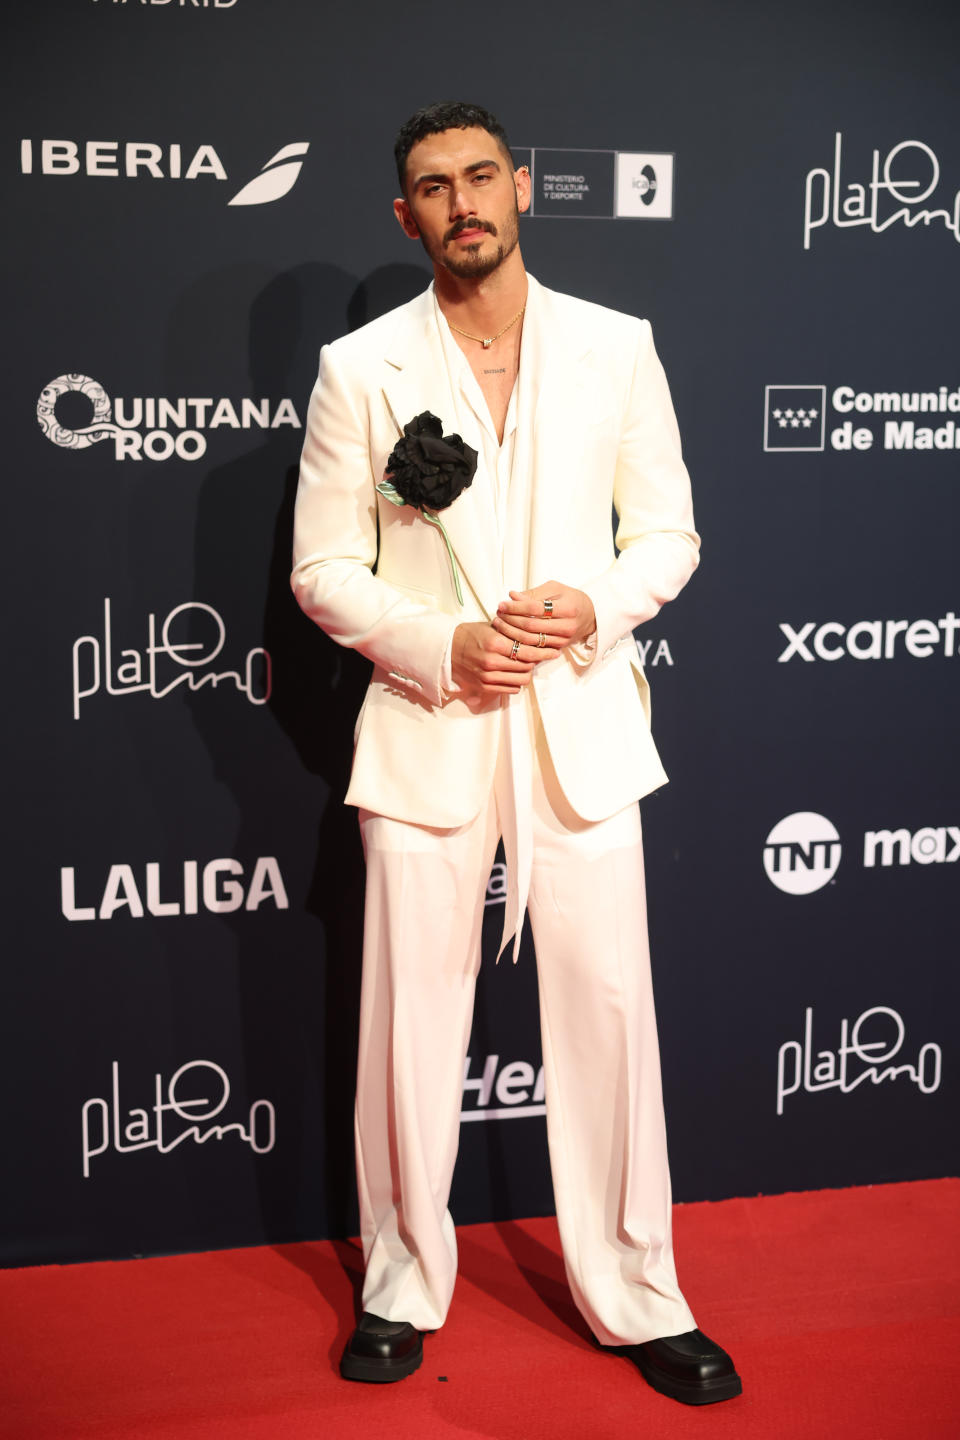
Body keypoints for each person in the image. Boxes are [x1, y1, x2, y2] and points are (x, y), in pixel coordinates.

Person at [291, 100, 741, 1406]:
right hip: (429, 728)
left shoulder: (617, 349)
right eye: (434, 187)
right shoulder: (358, 370)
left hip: (583, 730)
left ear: (523, 188)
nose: (462, 202)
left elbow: (667, 536)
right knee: (409, 1026)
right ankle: (397, 1286)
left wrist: (594, 607)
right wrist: (437, 646)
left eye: (481, 176)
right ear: (406, 214)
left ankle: (639, 1292)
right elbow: (323, 568)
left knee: (609, 1022)